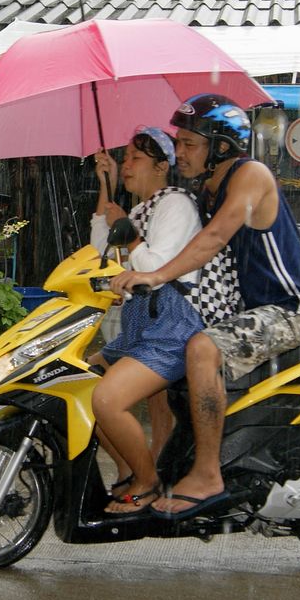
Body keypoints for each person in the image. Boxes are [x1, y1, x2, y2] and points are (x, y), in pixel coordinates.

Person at [111, 94, 300, 520]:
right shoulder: (204, 188)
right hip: (248, 309)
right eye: (180, 143)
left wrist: (157, 274)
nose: (180, 152)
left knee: (201, 349)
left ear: (222, 147)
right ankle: (158, 466)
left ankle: (208, 473)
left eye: (191, 144)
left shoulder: (251, 176)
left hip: (289, 308)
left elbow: (213, 240)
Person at [87, 127, 207, 515]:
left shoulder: (176, 204)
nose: (126, 166)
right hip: (139, 325)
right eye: (124, 159)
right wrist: (105, 186)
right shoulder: (142, 208)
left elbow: (156, 266)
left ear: (162, 166)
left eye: (135, 159)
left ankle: (147, 484)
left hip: (171, 326)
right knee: (79, 381)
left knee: (107, 399)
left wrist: (131, 234)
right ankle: (127, 472)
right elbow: (99, 249)